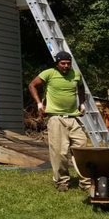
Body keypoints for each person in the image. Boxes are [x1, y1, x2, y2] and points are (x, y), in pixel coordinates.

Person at [28, 51, 91, 192]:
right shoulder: (49, 73)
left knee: (82, 148)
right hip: (56, 118)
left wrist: (82, 103)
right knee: (60, 153)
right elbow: (32, 85)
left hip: (73, 118)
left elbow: (81, 87)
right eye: (63, 63)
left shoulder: (75, 74)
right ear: (57, 64)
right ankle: (62, 182)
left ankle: (86, 182)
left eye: (68, 64)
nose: (66, 66)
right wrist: (39, 104)